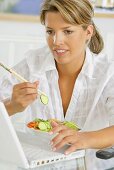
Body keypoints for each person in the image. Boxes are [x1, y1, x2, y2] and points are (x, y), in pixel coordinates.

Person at [0, 0, 114, 169]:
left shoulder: (107, 72)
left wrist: (85, 138)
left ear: (88, 32)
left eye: (67, 31)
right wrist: (11, 106)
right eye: (50, 31)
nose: (56, 41)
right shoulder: (33, 65)